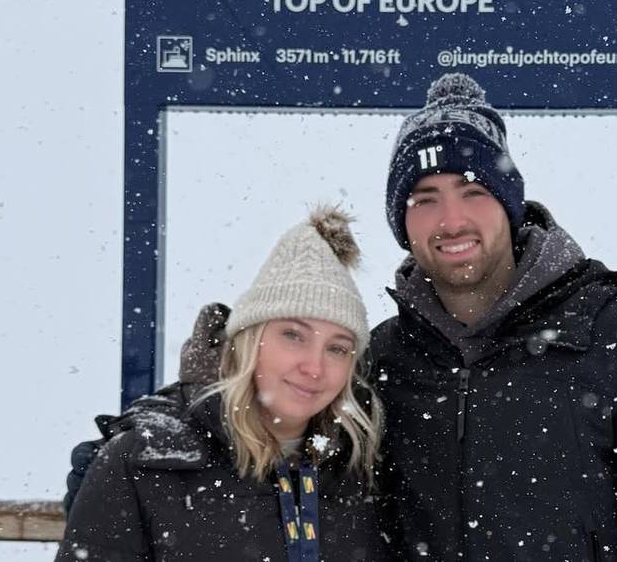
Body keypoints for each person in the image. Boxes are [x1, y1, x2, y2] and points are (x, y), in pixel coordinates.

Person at [67, 73, 617, 561]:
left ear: (509, 204)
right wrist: (148, 436)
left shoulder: (615, 336)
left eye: (473, 191)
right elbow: (273, 425)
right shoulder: (383, 358)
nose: (451, 220)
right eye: (425, 197)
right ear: (402, 220)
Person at [56, 206, 388, 561]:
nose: (314, 367)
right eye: (293, 335)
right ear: (248, 341)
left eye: (337, 348)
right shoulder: (144, 463)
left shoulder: (365, 469)